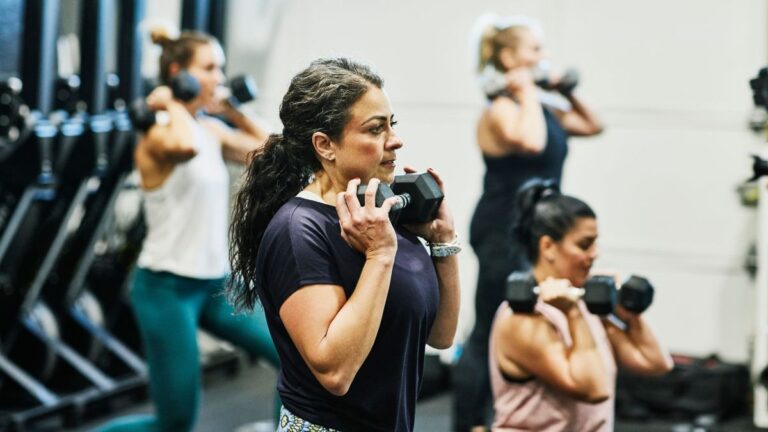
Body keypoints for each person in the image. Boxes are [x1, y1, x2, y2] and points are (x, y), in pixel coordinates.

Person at [227, 57, 461, 432]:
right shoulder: (298, 231)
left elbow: (441, 335)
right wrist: (381, 255)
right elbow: (335, 372)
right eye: (375, 129)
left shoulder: (378, 213)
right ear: (325, 144)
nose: (395, 140)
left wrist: (442, 243)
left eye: (392, 125)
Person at [94, 28, 279, 432]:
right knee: (174, 423)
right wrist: (172, 99)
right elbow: (184, 147)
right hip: (166, 289)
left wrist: (230, 107)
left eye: (221, 68)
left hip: (216, 284)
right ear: (180, 73)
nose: (219, 76)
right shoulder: (158, 131)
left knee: (296, 359)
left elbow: (273, 150)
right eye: (210, 68)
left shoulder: (208, 128)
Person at [453, 14, 604, 431]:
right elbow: (531, 141)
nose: (545, 57)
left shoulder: (546, 108)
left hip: (538, 233)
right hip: (501, 231)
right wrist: (528, 94)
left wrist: (564, 93)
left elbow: (594, 125)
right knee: (489, 330)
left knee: (529, 324)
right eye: (536, 49)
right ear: (508, 56)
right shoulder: (500, 109)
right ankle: (468, 424)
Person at [488, 178, 672, 431]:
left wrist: (624, 311)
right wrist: (573, 314)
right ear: (548, 246)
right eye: (585, 244)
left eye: (595, 242)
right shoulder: (522, 318)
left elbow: (656, 363)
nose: (595, 253)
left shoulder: (585, 302)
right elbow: (595, 389)